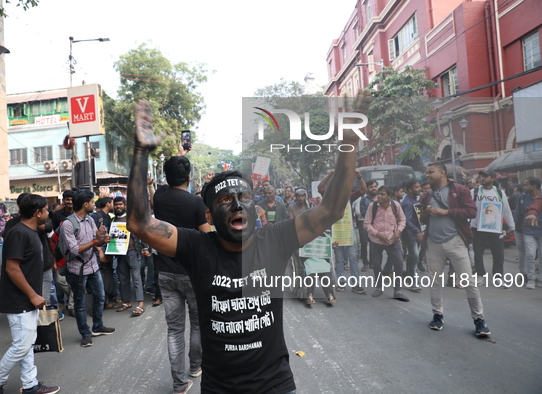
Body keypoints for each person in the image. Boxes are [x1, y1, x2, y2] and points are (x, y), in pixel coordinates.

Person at [126, 96, 367, 394]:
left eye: (245, 198)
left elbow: (331, 209)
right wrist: (140, 152)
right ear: (210, 216)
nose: (238, 205)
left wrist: (350, 145)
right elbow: (140, 224)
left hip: (276, 385)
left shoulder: (275, 239)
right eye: (226, 200)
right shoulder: (197, 247)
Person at [0, 194, 59, 394]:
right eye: (46, 210)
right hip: (19, 300)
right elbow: (12, 269)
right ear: (37, 212)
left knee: (27, 343)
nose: (48, 213)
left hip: (28, 299)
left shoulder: (32, 232)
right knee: (22, 345)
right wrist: (33, 295)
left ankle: (30, 385)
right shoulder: (19, 233)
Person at [153, 154, 209, 394]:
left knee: (174, 329)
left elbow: (168, 182)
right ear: (189, 177)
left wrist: (179, 158)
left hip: (165, 272)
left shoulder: (159, 197)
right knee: (197, 323)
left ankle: (178, 383)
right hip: (191, 274)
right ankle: (196, 366)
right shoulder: (196, 204)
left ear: (165, 177)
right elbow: (206, 237)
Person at [419, 162, 490, 336]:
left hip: (456, 242)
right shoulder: (426, 196)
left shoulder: (459, 190)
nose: (427, 175)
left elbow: (471, 212)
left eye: (430, 172)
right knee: (435, 282)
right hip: (433, 243)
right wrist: (426, 213)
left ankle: (479, 320)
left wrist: (447, 212)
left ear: (442, 172)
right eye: (426, 172)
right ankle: (437, 315)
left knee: (468, 282)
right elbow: (421, 219)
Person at [61, 190, 115, 347]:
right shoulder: (68, 224)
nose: (94, 204)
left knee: (100, 296)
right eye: (92, 202)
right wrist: (95, 242)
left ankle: (97, 326)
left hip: (93, 266)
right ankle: (85, 333)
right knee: (80, 303)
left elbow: (95, 241)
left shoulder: (90, 220)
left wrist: (101, 240)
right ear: (85, 204)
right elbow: (75, 249)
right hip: (77, 269)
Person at [470, 169, 515, 283]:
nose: (483, 178)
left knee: (498, 254)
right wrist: (468, 224)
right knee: (478, 253)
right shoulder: (474, 192)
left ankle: (498, 277)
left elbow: (506, 210)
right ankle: (480, 275)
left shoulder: (499, 192)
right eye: (482, 176)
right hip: (477, 228)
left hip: (495, 228)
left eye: (486, 176)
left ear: (493, 179)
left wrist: (512, 226)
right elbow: (468, 209)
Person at [364, 186, 408, 301]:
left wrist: (398, 231)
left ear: (389, 196)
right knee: (377, 265)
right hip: (376, 240)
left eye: (383, 194)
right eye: (379, 194)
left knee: (399, 264)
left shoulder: (396, 205)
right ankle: (379, 287)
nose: (379, 196)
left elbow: (402, 220)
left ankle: (397, 290)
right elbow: (367, 224)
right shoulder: (372, 206)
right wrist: (378, 234)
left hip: (393, 240)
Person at [112, 197, 146, 316]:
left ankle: (140, 303)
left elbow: (140, 232)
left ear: (125, 205)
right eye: (116, 205)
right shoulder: (113, 220)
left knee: (136, 278)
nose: (118, 207)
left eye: (120, 204)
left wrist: (144, 248)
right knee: (123, 279)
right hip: (120, 253)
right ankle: (127, 302)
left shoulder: (131, 218)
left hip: (132, 251)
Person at [513, 177, 542, 289]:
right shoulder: (522, 197)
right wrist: (515, 227)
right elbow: (518, 215)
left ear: (533, 186)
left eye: (526, 184)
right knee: (530, 254)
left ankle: (541, 278)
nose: (523, 187)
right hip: (528, 230)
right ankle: (531, 278)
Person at [401, 178, 423, 292]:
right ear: (410, 189)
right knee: (414, 257)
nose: (419, 189)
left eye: (419, 186)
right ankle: (412, 281)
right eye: (417, 187)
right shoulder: (407, 203)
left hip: (417, 233)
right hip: (411, 234)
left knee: (413, 257)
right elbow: (406, 220)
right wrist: (417, 231)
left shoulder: (416, 200)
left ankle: (410, 277)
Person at [358, 179, 378, 271]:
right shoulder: (364, 200)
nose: (373, 189)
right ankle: (365, 263)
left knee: (374, 244)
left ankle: (373, 263)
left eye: (375, 186)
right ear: (367, 189)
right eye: (371, 187)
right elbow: (363, 212)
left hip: (378, 225)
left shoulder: (380, 198)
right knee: (364, 243)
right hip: (366, 225)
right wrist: (374, 214)